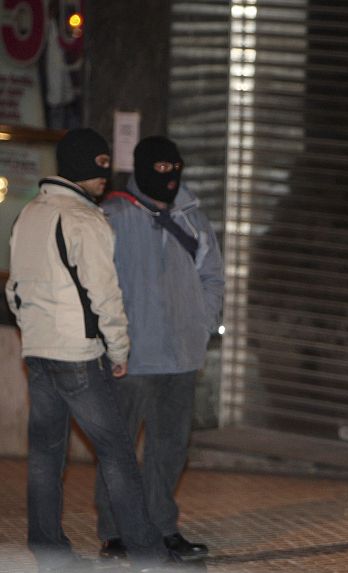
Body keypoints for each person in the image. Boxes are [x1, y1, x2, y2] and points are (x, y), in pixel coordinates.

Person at [4, 128, 171, 571]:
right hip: (78, 353)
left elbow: (14, 289)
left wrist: (33, 331)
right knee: (116, 453)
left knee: (44, 456)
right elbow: (105, 295)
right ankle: (148, 553)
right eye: (99, 170)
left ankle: (48, 549)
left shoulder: (29, 214)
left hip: (38, 350)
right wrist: (119, 350)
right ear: (81, 169)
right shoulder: (85, 220)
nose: (105, 180)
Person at [94, 136, 224, 562]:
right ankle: (116, 533)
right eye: (161, 170)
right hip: (131, 356)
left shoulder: (193, 218)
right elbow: (96, 284)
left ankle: (161, 528)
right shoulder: (112, 215)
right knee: (119, 448)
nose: (170, 177)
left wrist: (200, 325)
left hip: (182, 356)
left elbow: (212, 277)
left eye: (176, 168)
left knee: (170, 448)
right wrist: (113, 340)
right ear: (144, 169)